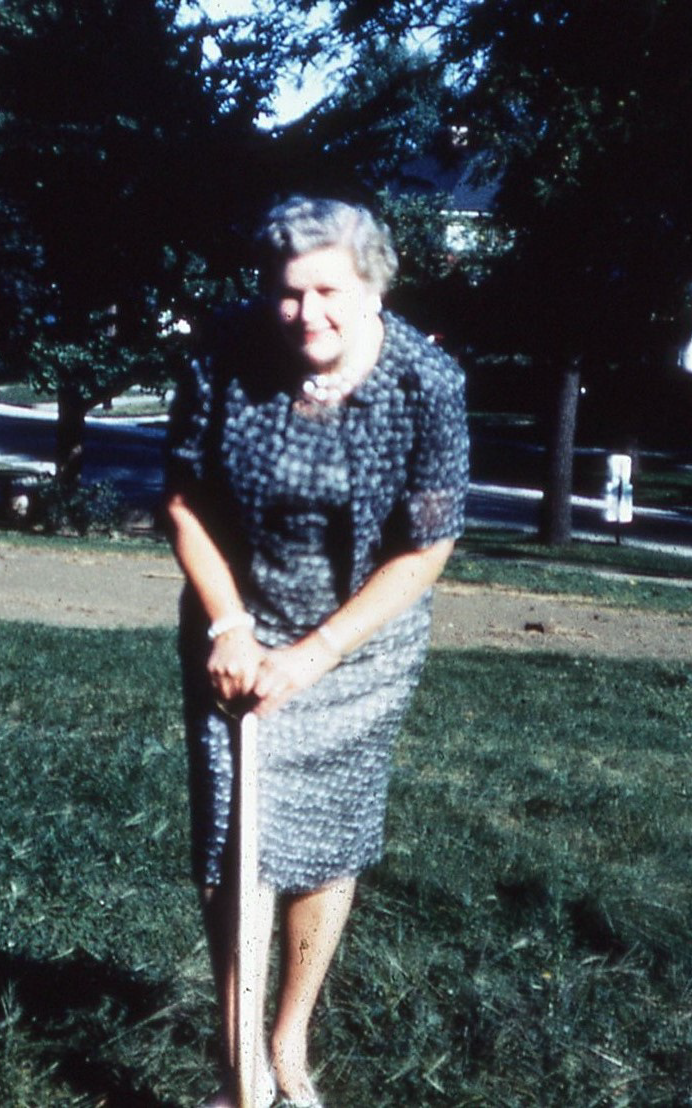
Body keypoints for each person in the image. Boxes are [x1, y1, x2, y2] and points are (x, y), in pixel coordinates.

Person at [163, 196, 469, 1107]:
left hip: (359, 649)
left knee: (328, 847)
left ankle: (289, 1042)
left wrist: (317, 654)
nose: (307, 313)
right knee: (234, 845)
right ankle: (241, 1072)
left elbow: (426, 548)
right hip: (238, 633)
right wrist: (230, 627)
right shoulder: (223, 354)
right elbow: (182, 499)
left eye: (329, 291)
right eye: (289, 293)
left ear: (374, 288)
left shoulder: (425, 384)